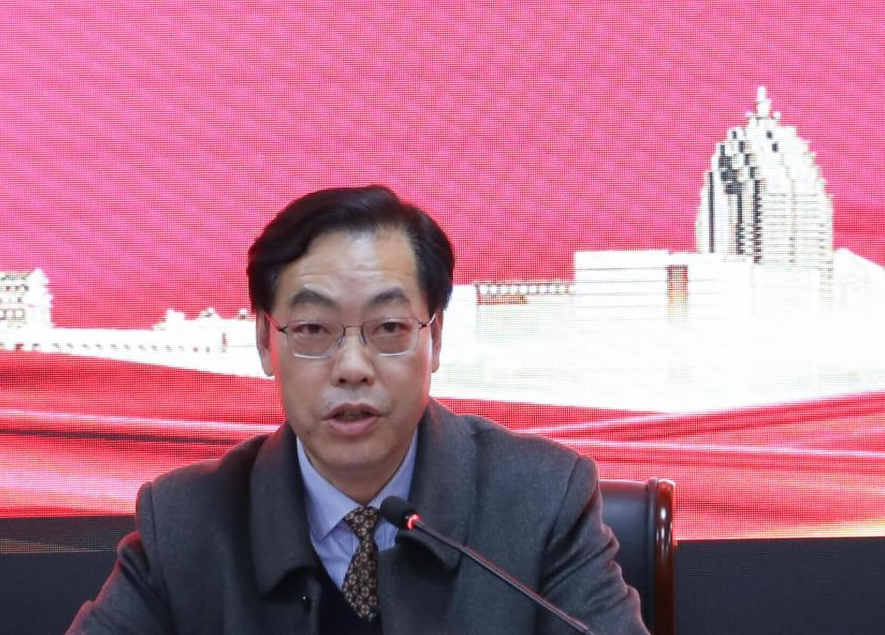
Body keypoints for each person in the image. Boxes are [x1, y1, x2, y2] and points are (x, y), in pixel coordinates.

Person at [67, 185, 647, 634]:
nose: (352, 367)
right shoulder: (185, 521)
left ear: (434, 338)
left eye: (388, 327)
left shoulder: (543, 501)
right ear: (266, 342)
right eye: (313, 329)